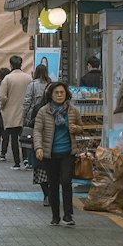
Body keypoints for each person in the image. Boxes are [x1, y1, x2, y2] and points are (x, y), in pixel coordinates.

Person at [33, 81, 83, 225]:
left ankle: (68, 215)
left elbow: (81, 127)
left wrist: (76, 129)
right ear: (51, 95)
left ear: (66, 94)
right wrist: (39, 148)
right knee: (53, 185)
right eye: (56, 92)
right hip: (51, 154)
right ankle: (55, 216)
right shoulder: (44, 111)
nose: (60, 95)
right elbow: (37, 131)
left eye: (62, 92)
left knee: (66, 182)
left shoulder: (72, 111)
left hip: (68, 152)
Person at [0, 55, 30, 170]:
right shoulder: (28, 78)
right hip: (25, 113)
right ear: (21, 64)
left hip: (11, 112)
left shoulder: (7, 79)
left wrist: (2, 107)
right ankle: (26, 160)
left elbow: (2, 96)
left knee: (14, 138)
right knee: (25, 136)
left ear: (10, 65)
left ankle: (17, 162)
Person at [20, 63, 51, 168]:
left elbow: (27, 101)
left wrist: (23, 115)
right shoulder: (50, 84)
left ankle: (30, 160)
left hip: (34, 113)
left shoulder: (32, 84)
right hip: (48, 114)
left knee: (32, 136)